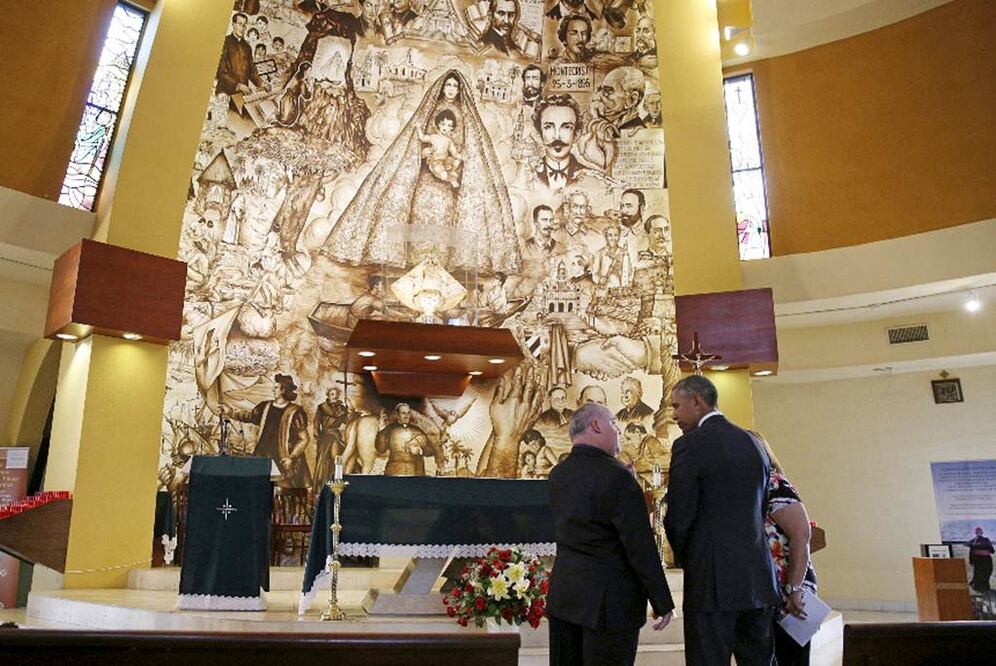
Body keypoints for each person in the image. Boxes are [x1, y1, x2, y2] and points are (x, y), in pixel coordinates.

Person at [664, 375, 780, 666]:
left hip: (711, 582)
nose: (675, 415)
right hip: (757, 577)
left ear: (697, 402)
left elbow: (679, 516)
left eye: (677, 406)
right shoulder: (754, 443)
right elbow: (762, 507)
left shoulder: (690, 445)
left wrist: (688, 559)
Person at [547, 402, 674, 665]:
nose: (618, 431)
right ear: (596, 425)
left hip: (565, 596)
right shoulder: (616, 477)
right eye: (614, 424)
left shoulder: (559, 474)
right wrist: (661, 599)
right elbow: (638, 544)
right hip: (608, 603)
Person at [750, 430, 819, 666]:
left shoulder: (774, 483)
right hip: (766, 592)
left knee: (791, 658)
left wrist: (794, 588)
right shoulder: (750, 487)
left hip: (789, 590)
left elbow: (801, 534)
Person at [221, 374, 312, 489]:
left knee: (283, 497)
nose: (272, 390)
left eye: (276, 388)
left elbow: (304, 439)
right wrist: (229, 411)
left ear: (283, 390)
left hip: (283, 460)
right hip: (262, 458)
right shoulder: (265, 406)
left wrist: (291, 457)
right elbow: (248, 416)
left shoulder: (295, 412)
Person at [375, 403, 441, 476]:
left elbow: (430, 451)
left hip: (414, 471)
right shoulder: (389, 429)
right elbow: (380, 449)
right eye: (403, 413)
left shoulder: (417, 430)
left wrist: (420, 450)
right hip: (395, 470)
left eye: (408, 413)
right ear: (397, 415)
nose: (406, 416)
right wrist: (381, 430)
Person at [312, 387, 351, 496]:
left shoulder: (342, 409)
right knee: (323, 458)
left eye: (336, 394)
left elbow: (346, 422)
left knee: (336, 456)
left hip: (335, 434)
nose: (335, 396)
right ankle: (320, 483)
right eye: (332, 394)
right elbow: (317, 422)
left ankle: (336, 479)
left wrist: (348, 413)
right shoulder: (322, 407)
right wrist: (316, 434)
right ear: (328, 395)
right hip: (325, 435)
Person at [215, 13, 266, 97]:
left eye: (244, 25)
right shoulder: (225, 43)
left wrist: (261, 83)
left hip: (242, 94)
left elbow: (252, 70)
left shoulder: (247, 47)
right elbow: (221, 72)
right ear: (233, 24)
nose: (242, 28)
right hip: (225, 93)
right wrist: (238, 85)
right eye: (240, 24)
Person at [417, 109, 463, 189]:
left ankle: (451, 172)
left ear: (452, 128)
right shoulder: (433, 137)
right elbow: (422, 138)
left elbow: (454, 153)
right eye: (443, 124)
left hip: (444, 161)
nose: (445, 127)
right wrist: (418, 128)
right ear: (438, 124)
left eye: (449, 125)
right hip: (435, 162)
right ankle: (450, 179)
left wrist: (461, 156)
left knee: (457, 161)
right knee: (443, 174)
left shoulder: (449, 141)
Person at [968, 527, 994, 593]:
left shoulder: (973, 541)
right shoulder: (986, 540)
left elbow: (971, 551)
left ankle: (978, 585)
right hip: (985, 558)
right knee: (987, 571)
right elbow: (992, 550)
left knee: (978, 572)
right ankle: (983, 585)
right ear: (982, 532)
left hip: (978, 559)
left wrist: (971, 561)